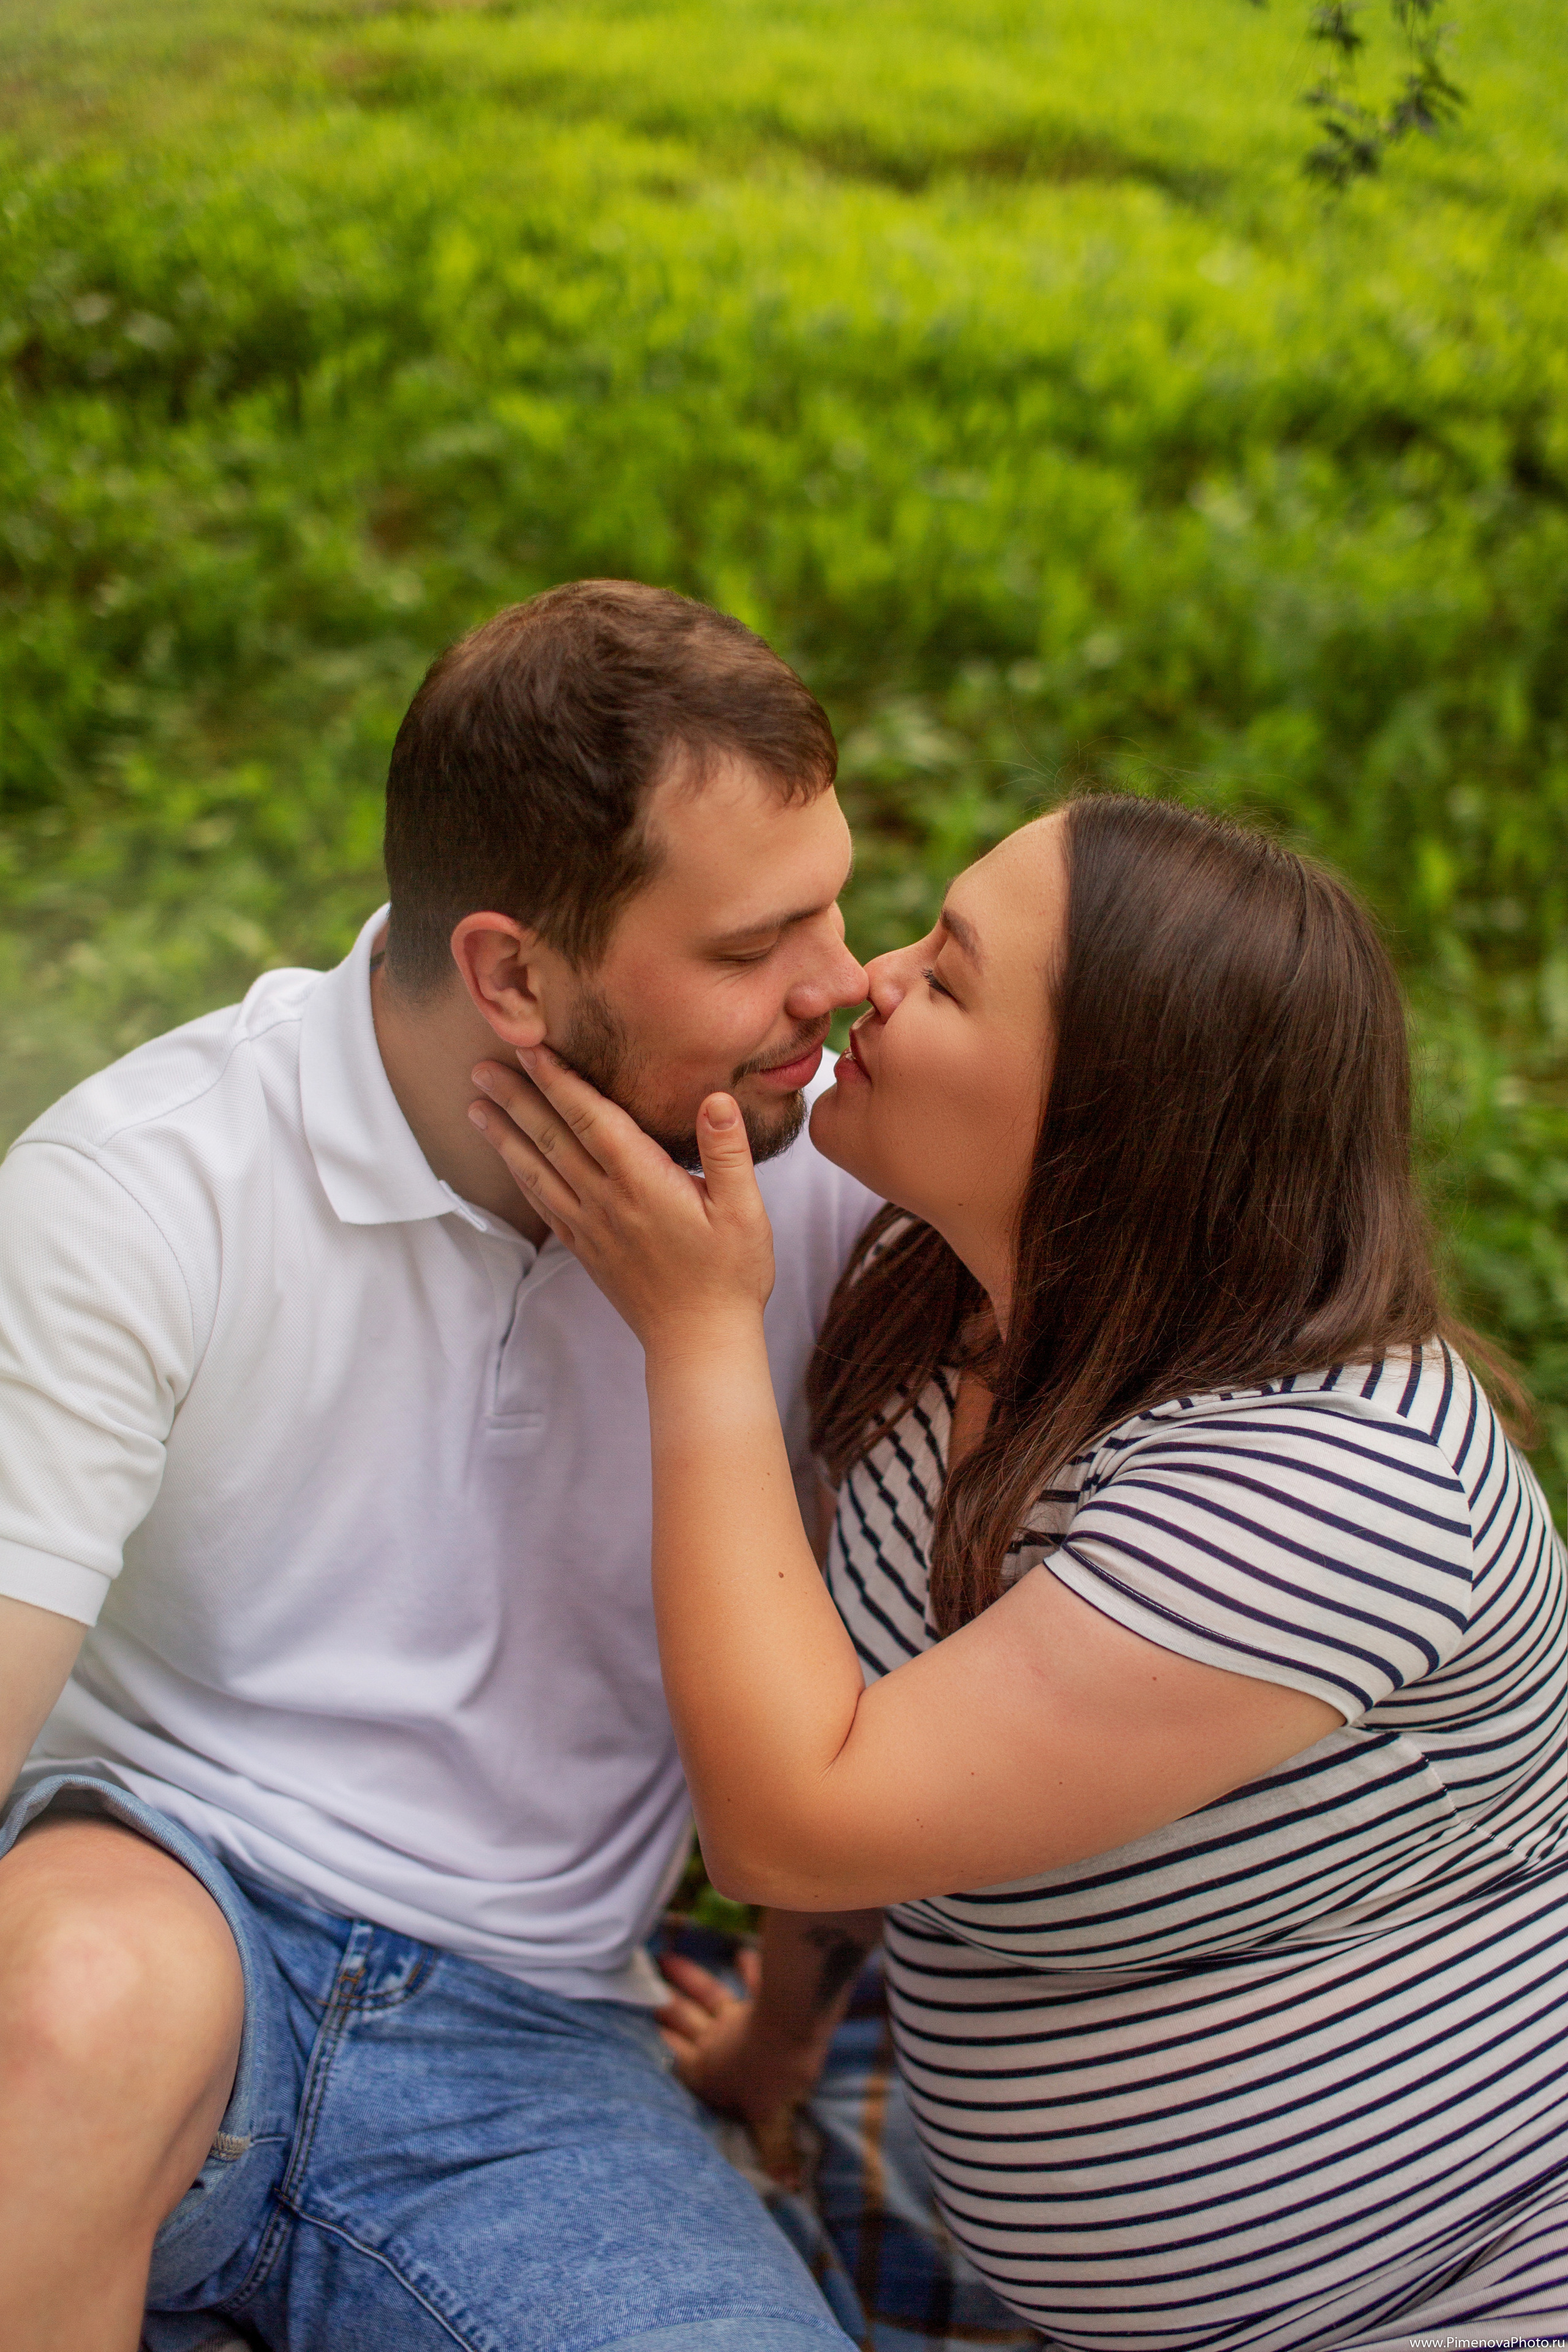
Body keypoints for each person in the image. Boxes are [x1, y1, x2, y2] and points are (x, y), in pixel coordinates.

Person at [467, 791, 1568, 2351]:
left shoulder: (1333, 1491)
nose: (868, 981)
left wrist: (700, 1335)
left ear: (1108, 1114)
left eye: (950, 973)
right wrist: (773, 2054)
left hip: (1466, 2289)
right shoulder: (945, 1310)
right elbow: (868, 1734)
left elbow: (799, 1821)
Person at [0, 581, 885, 2352]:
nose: (838, 981)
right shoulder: (146, 1188)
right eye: (746, 948)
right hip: (169, 1909)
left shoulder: (837, 1182)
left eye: (838, 901)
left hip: (536, 2048)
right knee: (79, 2002)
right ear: (510, 974)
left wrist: (787, 2028)